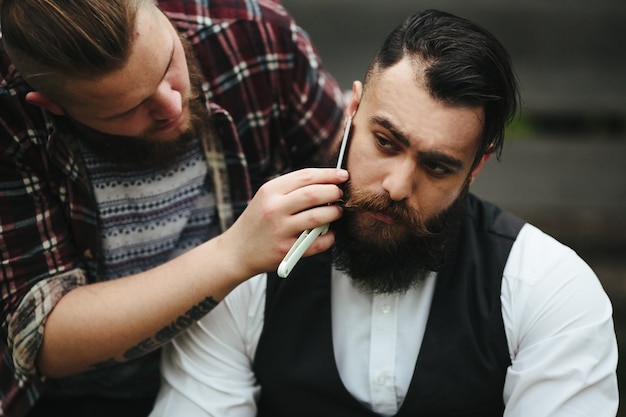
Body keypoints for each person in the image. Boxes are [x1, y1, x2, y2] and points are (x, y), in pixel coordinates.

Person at [150, 8, 620, 417]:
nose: (397, 186)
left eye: (436, 166)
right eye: (385, 142)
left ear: (475, 167)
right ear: (352, 110)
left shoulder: (547, 289)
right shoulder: (251, 269)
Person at [0, 0, 348, 415]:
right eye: (127, 109)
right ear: (51, 105)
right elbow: (42, 341)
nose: (171, 104)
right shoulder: (10, 116)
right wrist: (234, 253)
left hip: (255, 363)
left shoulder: (255, 33)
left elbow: (345, 160)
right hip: (85, 399)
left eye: (167, 64)